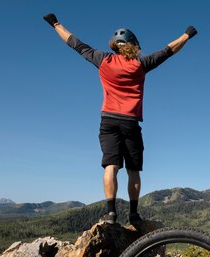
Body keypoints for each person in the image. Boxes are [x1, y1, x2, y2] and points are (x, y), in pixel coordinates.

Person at [43, 13, 197, 225]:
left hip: (108, 120)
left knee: (111, 166)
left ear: (115, 45)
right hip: (130, 122)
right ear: (133, 46)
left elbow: (74, 42)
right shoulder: (140, 64)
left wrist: (55, 24)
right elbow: (169, 50)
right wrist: (187, 35)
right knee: (133, 170)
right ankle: (134, 215)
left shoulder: (103, 59)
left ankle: (111, 213)